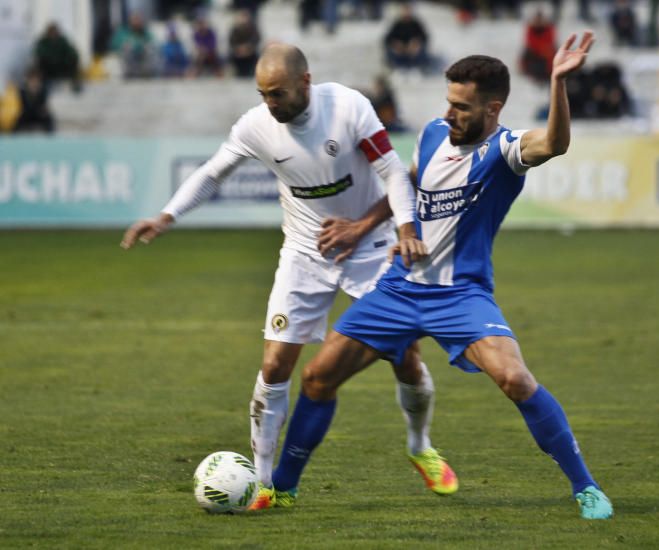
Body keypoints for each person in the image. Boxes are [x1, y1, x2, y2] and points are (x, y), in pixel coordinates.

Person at [260, 32, 614, 520]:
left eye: (462, 107)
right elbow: (404, 188)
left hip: (461, 295)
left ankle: (586, 487)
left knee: (514, 377)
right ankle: (282, 488)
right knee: (318, 377)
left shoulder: (505, 150)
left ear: (493, 109)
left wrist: (557, 83)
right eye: (448, 102)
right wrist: (367, 226)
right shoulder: (430, 134)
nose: (450, 114)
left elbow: (553, 142)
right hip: (400, 288)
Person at [120, 43, 456, 510]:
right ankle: (263, 485)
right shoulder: (256, 126)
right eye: (262, 94)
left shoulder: (349, 107)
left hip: (370, 246)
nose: (269, 104)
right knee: (275, 366)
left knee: (404, 355)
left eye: (277, 93)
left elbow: (394, 172)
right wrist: (167, 215)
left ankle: (420, 447)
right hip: (304, 251)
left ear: (305, 81)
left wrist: (398, 228)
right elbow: (214, 173)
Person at [383, 3, 430, 72]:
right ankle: (396, 69)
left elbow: (425, 36)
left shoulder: (416, 23)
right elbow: (387, 38)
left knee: (422, 49)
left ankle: (419, 68)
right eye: (404, 11)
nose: (406, 13)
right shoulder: (397, 24)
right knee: (389, 50)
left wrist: (416, 42)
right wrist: (395, 44)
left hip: (413, 53)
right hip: (400, 52)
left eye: (408, 11)